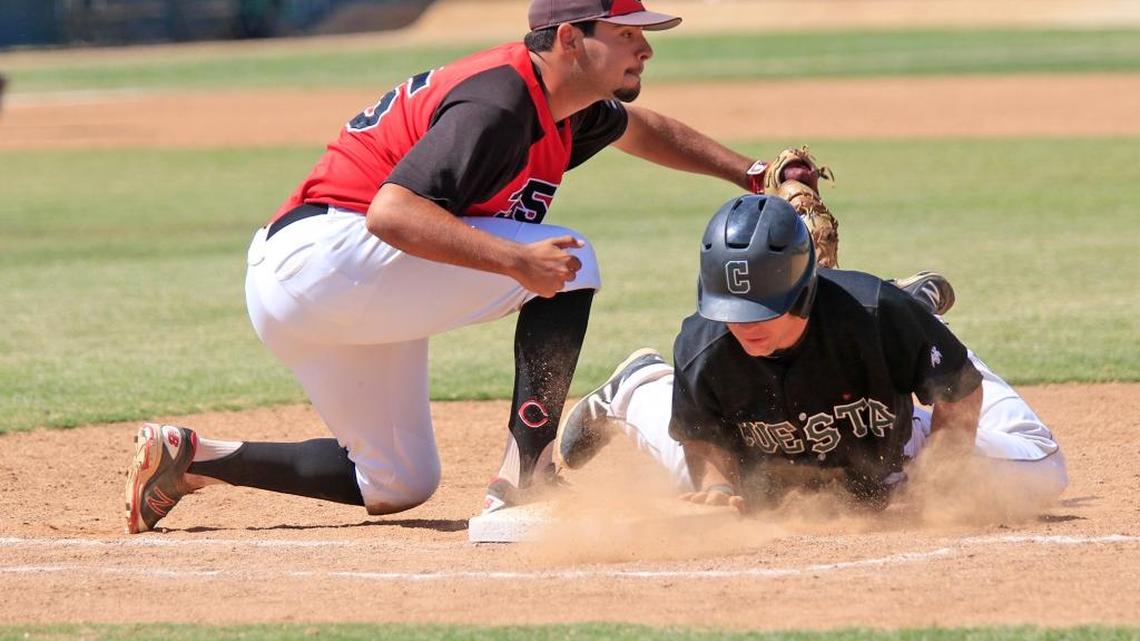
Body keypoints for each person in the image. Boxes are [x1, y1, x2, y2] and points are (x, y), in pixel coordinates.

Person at [124, 0, 805, 534]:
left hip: (324, 285)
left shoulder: (564, 108)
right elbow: (390, 212)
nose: (645, 46)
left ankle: (192, 459)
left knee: (396, 482)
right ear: (570, 39)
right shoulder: (500, 101)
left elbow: (642, 128)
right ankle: (525, 475)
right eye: (626, 33)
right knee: (569, 258)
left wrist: (752, 172)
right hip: (326, 255)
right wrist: (515, 260)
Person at [557, 194, 1067, 513]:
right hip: (762, 467)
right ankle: (639, 385)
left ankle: (922, 322)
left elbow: (958, 389)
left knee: (1045, 471)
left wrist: (943, 475)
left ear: (802, 293)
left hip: (889, 454)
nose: (744, 326)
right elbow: (700, 437)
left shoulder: (871, 315)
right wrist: (714, 489)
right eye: (731, 311)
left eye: (760, 310)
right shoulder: (705, 344)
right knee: (709, 485)